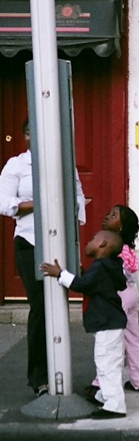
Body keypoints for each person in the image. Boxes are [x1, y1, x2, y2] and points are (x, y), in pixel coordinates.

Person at [0, 119, 87, 397]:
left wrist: (70, 210)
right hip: (29, 242)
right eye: (31, 133)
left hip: (60, 243)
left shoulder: (65, 163)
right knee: (40, 306)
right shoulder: (16, 166)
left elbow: (78, 199)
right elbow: (4, 203)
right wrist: (39, 203)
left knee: (59, 304)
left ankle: (60, 369)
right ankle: (38, 377)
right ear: (26, 136)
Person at [40, 230, 128, 419]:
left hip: (107, 324)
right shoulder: (108, 266)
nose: (88, 242)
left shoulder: (101, 267)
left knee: (107, 364)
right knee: (106, 363)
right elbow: (91, 282)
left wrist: (60, 274)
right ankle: (103, 395)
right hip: (109, 324)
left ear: (103, 244)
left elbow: (82, 285)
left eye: (92, 239)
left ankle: (115, 406)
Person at [96, 205, 139, 393]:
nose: (106, 216)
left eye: (113, 216)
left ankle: (100, 381)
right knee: (133, 340)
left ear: (121, 227)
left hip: (116, 296)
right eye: (108, 213)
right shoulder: (127, 248)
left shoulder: (110, 246)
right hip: (130, 294)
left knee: (110, 341)